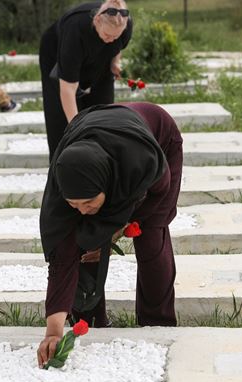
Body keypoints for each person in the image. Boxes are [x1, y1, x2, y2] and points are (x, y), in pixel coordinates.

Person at [36, 102, 183, 368]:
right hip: (97, 142)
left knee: (150, 235)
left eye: (89, 202)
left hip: (158, 140)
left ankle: (158, 322)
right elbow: (62, 258)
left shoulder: (143, 162)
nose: (82, 210)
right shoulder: (63, 184)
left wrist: (117, 230)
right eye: (74, 205)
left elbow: (160, 193)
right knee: (83, 243)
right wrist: (53, 331)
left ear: (106, 185)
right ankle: (90, 323)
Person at [39, 0, 133, 158]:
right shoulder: (74, 30)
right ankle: (63, 164)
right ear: (97, 20)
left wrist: (115, 62)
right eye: (108, 35)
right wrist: (77, 129)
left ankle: (101, 161)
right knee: (61, 118)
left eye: (116, 36)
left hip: (100, 55)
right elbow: (68, 89)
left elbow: (117, 46)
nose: (112, 39)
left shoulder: (124, 26)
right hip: (56, 53)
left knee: (102, 110)